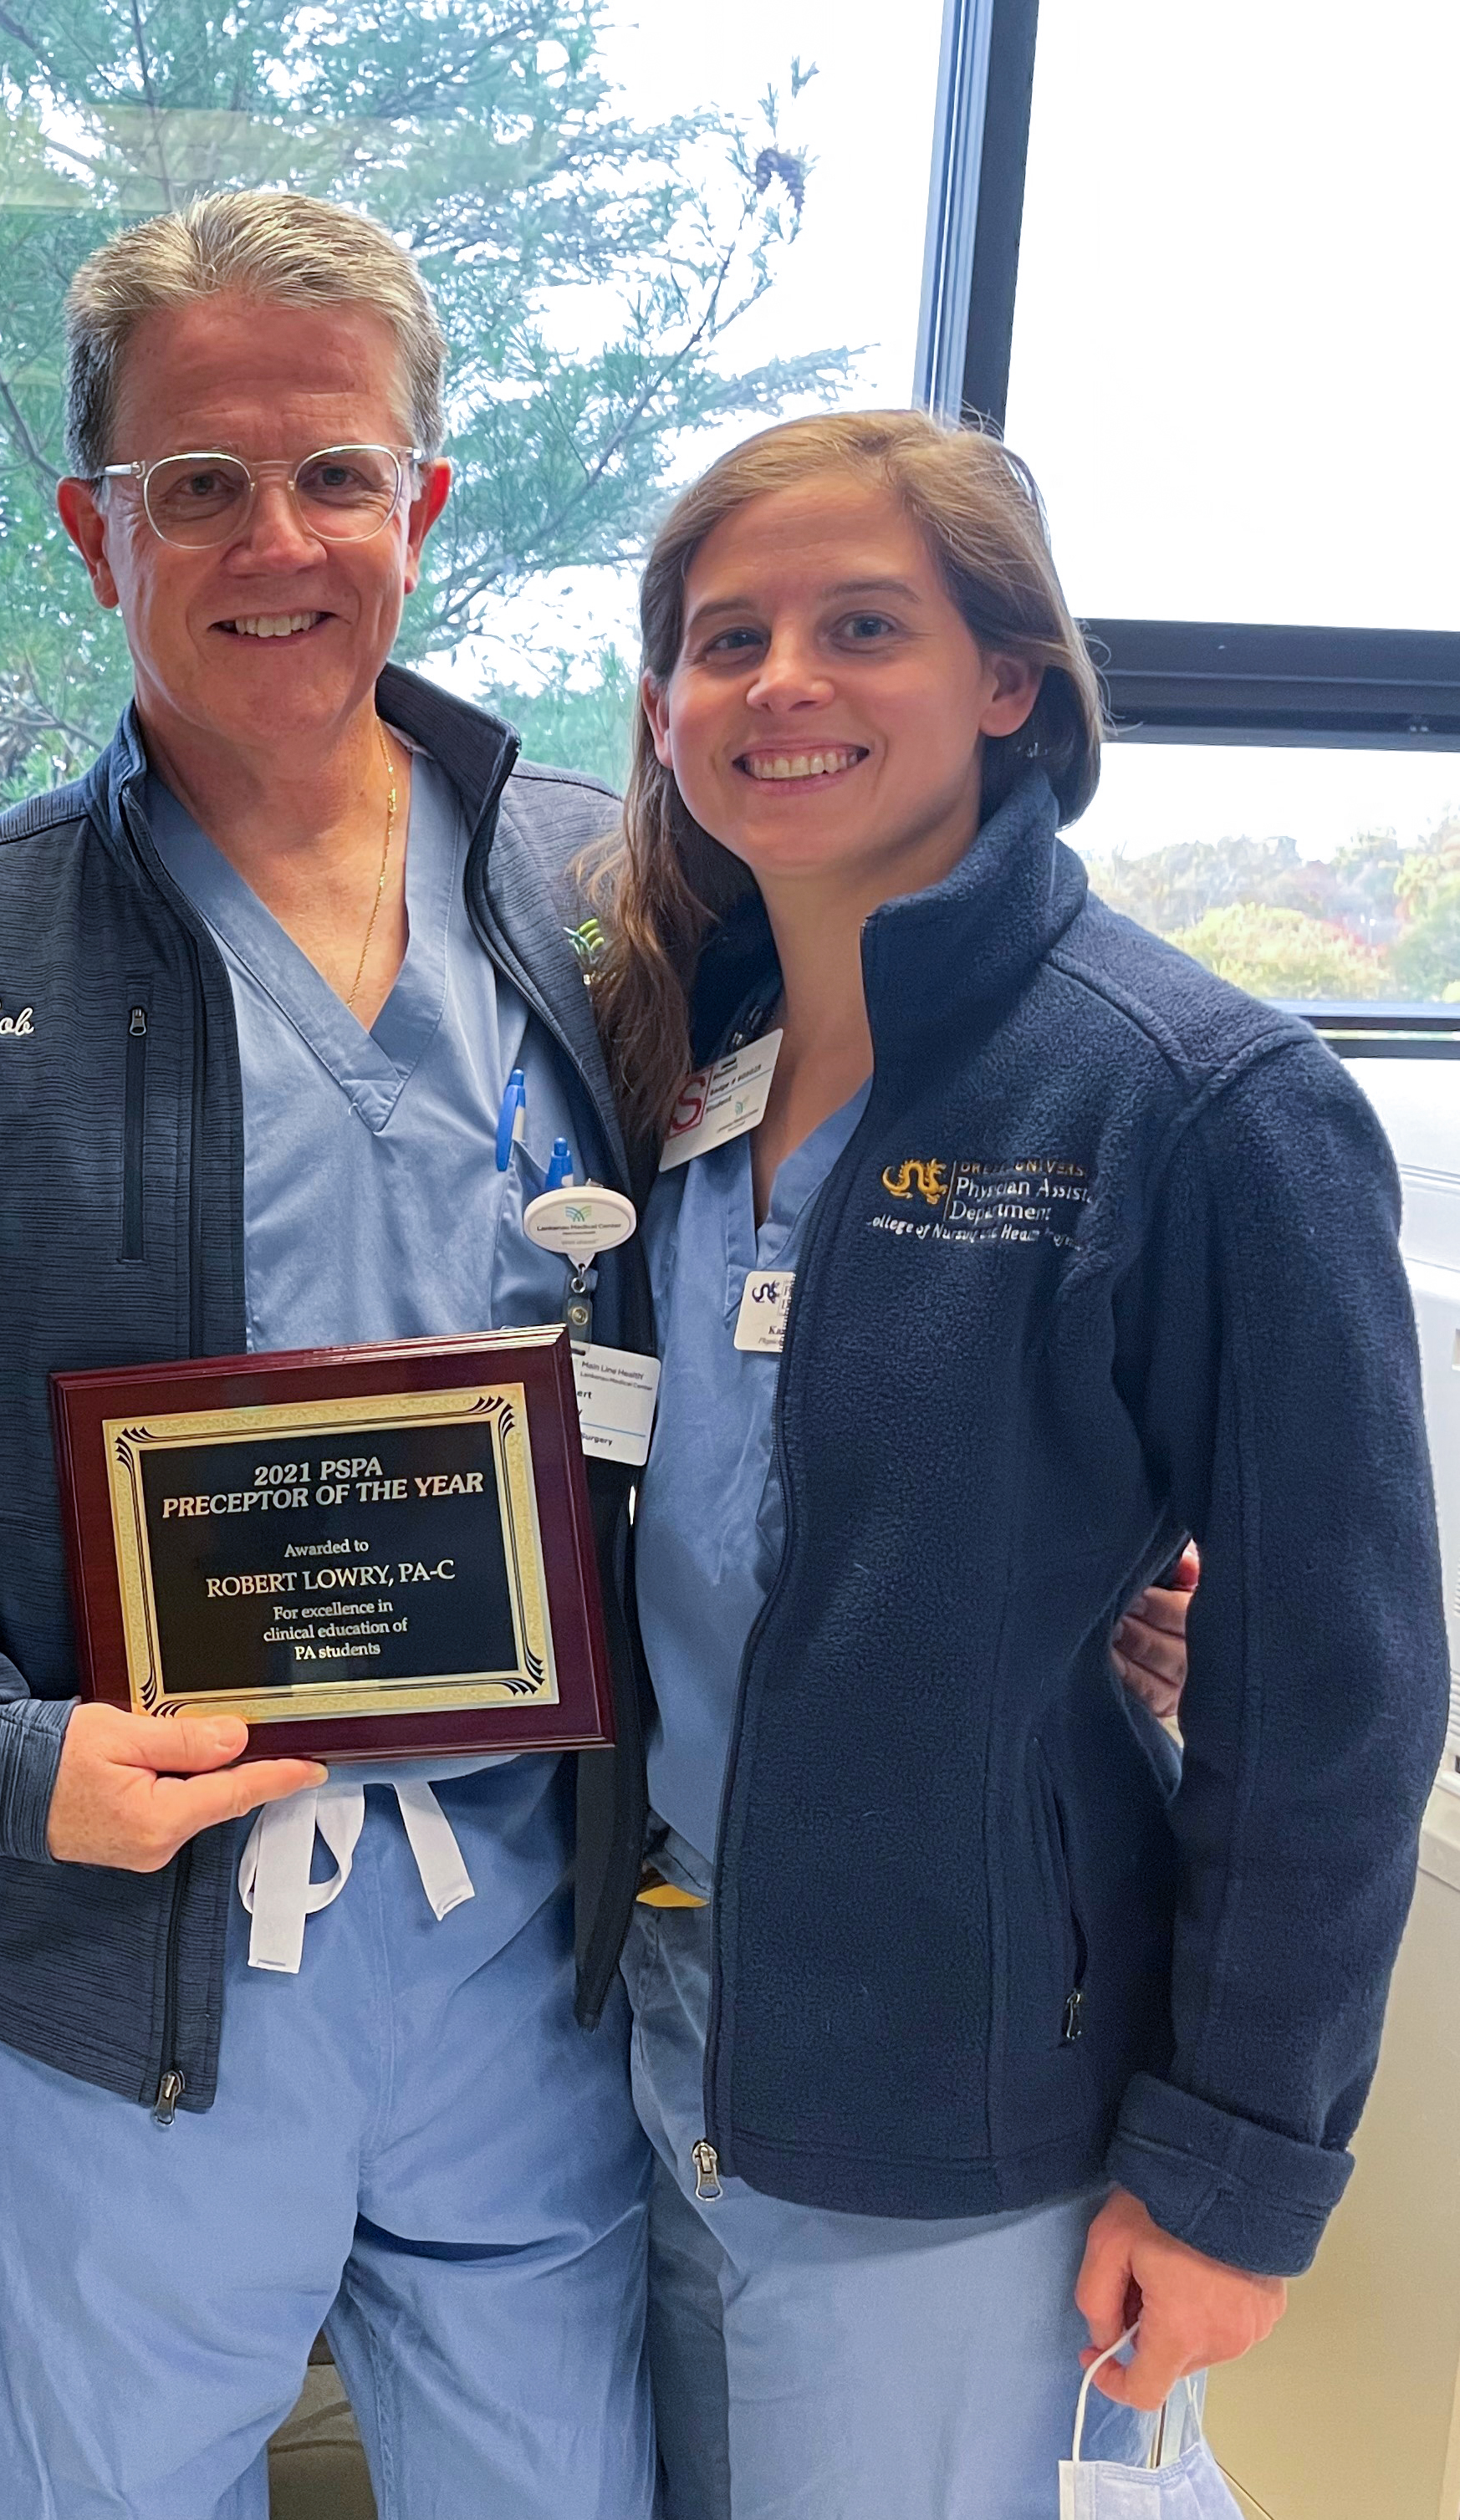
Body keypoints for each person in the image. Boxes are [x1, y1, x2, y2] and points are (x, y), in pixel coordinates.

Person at [0, 187, 658, 2519]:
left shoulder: (611, 908)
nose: (274, 537)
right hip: (105, 1957)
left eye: (333, 472)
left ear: (420, 505)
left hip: (522, 1950)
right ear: (94, 530)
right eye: (197, 485)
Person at [595, 409, 1447, 2518]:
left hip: (964, 2092)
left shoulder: (1197, 1100)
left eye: (857, 625)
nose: (778, 682)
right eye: (725, 637)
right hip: (651, 2036)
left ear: (1008, 683)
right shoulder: (666, 1077)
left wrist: (1238, 2173)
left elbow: (1332, 1693)